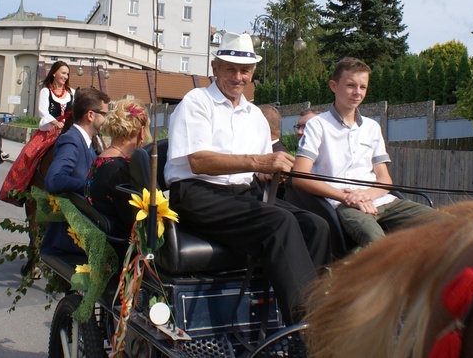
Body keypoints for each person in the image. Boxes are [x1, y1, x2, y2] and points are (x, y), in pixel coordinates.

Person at [164, 32, 331, 325]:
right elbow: (198, 161)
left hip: (242, 193)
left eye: (245, 71)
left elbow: (261, 170)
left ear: (252, 73)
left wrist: (274, 171)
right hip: (195, 194)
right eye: (230, 68)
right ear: (214, 69)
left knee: (316, 225)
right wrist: (259, 161)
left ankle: (309, 311)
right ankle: (304, 331)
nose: (238, 77)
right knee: (280, 223)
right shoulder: (196, 102)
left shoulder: (255, 115)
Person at [292, 57, 434, 247]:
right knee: (377, 241)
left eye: (363, 87)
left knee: (445, 223)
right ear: (333, 86)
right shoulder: (318, 125)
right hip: (342, 203)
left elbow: (385, 180)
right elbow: (300, 176)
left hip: (380, 200)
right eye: (351, 85)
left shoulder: (372, 127)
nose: (357, 93)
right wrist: (346, 197)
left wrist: (366, 195)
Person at [40, 87, 110, 255]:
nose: (106, 120)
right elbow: (54, 179)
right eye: (104, 115)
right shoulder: (72, 140)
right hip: (68, 241)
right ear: (91, 115)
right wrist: (90, 185)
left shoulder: (86, 142)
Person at [86, 98, 150, 238]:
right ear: (141, 131)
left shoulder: (99, 161)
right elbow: (137, 224)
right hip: (121, 249)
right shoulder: (122, 170)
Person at [38, 61, 75, 130]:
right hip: (50, 131)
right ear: (54, 73)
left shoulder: (72, 92)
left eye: (67, 74)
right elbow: (43, 112)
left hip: (68, 130)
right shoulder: (46, 92)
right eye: (63, 73)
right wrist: (55, 122)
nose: (66, 77)